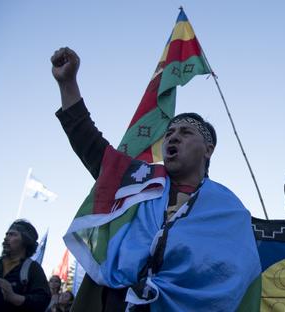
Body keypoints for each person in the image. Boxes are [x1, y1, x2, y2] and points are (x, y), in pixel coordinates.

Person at [51, 47, 261, 311]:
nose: (173, 137)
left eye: (185, 133)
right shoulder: (139, 181)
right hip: (115, 301)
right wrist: (68, 84)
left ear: (208, 150)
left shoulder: (229, 209)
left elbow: (239, 275)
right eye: (170, 132)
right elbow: (90, 144)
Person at [0, 220, 51, 311]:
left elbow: (43, 300)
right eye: (7, 234)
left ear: (26, 241)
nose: (6, 238)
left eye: (13, 234)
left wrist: (15, 297)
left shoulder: (33, 269)